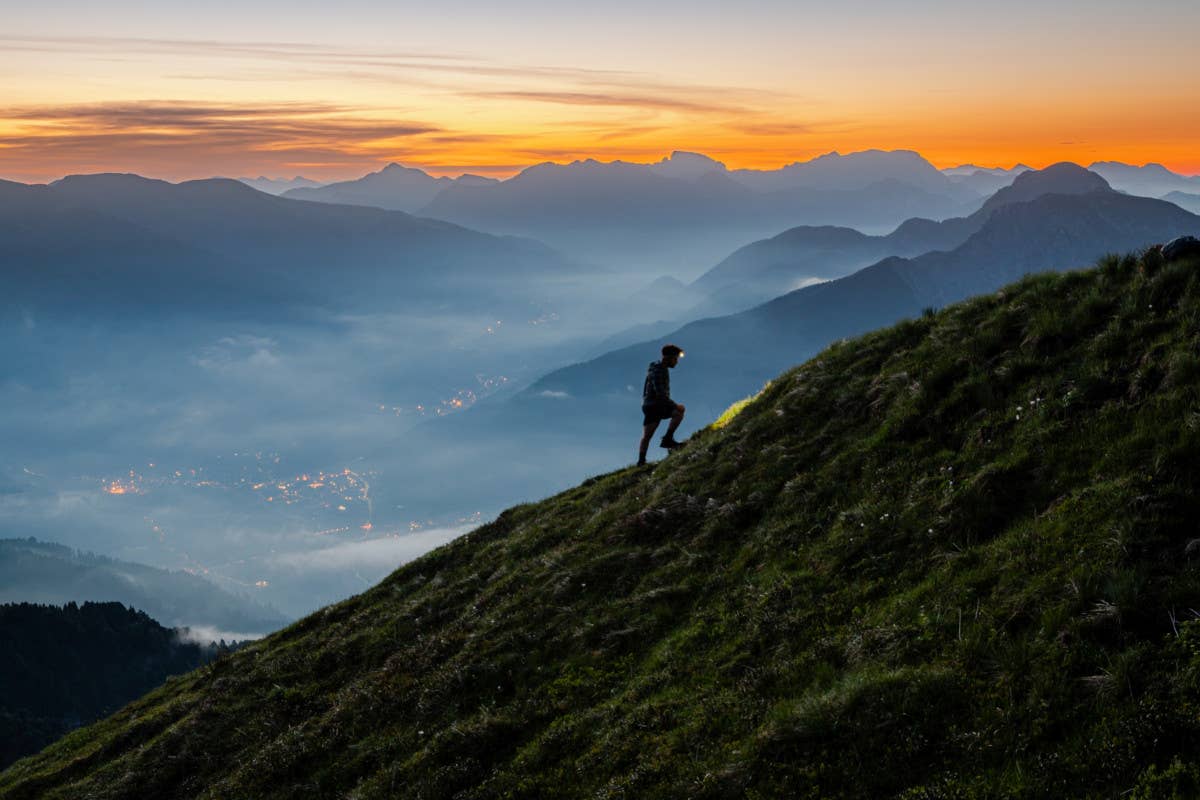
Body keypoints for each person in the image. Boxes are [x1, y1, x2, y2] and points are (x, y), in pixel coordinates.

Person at [638, 343, 686, 466]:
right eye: (675, 359)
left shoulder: (656, 367)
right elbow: (661, 395)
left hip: (649, 405)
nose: (676, 362)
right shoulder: (659, 371)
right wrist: (675, 405)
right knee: (679, 411)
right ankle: (667, 439)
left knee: (647, 435)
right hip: (656, 405)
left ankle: (641, 461)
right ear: (668, 358)